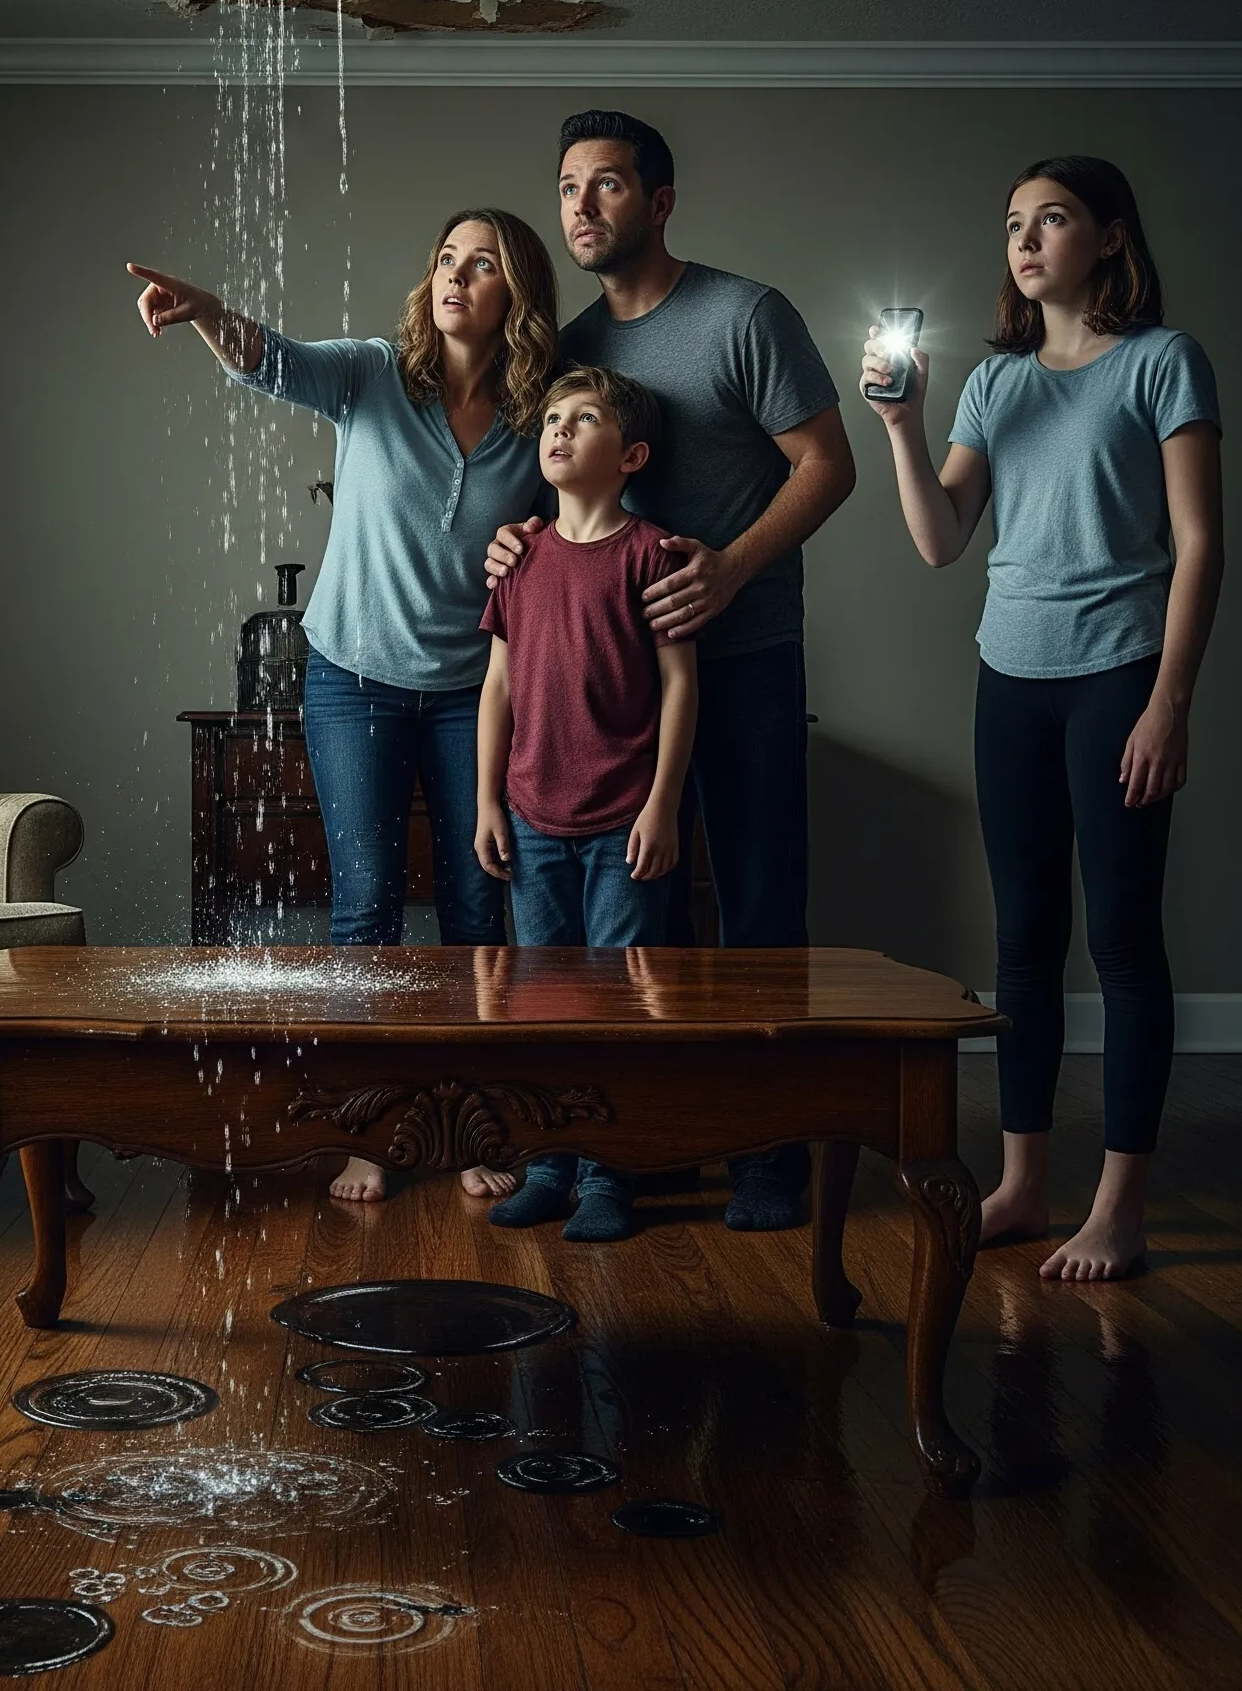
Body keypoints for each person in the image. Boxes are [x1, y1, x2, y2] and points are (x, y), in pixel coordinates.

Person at [129, 209, 559, 1204]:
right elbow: (270, 361)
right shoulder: (374, 374)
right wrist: (206, 312)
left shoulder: (535, 416)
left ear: (515, 297)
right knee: (364, 908)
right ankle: (375, 1130)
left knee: (472, 903)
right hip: (353, 677)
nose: (455, 275)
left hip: (470, 692)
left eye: (481, 264)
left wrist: (532, 540)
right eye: (445, 255)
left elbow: (576, 511)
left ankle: (470, 1121)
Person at [486, 111, 856, 1232]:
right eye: (565, 189)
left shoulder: (745, 315)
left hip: (735, 663)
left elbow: (826, 467)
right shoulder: (572, 347)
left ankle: (761, 1151)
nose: (581, 208)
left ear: (658, 200)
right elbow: (555, 484)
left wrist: (730, 569)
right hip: (602, 692)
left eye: (604, 186)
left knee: (753, 911)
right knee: (619, 935)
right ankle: (626, 1149)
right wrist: (508, 541)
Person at [859, 155, 1223, 1282]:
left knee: (1118, 938)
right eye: (1012, 222)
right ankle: (1022, 1181)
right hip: (1005, 677)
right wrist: (900, 424)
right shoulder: (994, 382)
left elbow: (1199, 541)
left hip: (1117, 672)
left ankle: (1119, 1206)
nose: (1024, 239)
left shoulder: (1163, 363)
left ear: (1108, 238)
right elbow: (937, 539)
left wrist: (1168, 702)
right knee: (1020, 942)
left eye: (1051, 218)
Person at [472, 366, 698, 1241]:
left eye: (586, 419)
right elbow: (496, 690)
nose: (560, 431)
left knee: (620, 1001)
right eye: (552, 419)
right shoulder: (520, 559)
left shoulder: (651, 554)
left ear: (630, 454)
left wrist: (663, 806)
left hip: (623, 823)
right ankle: (550, 1163)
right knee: (544, 1002)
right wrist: (489, 802)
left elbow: (681, 689)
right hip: (533, 820)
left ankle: (611, 1174)